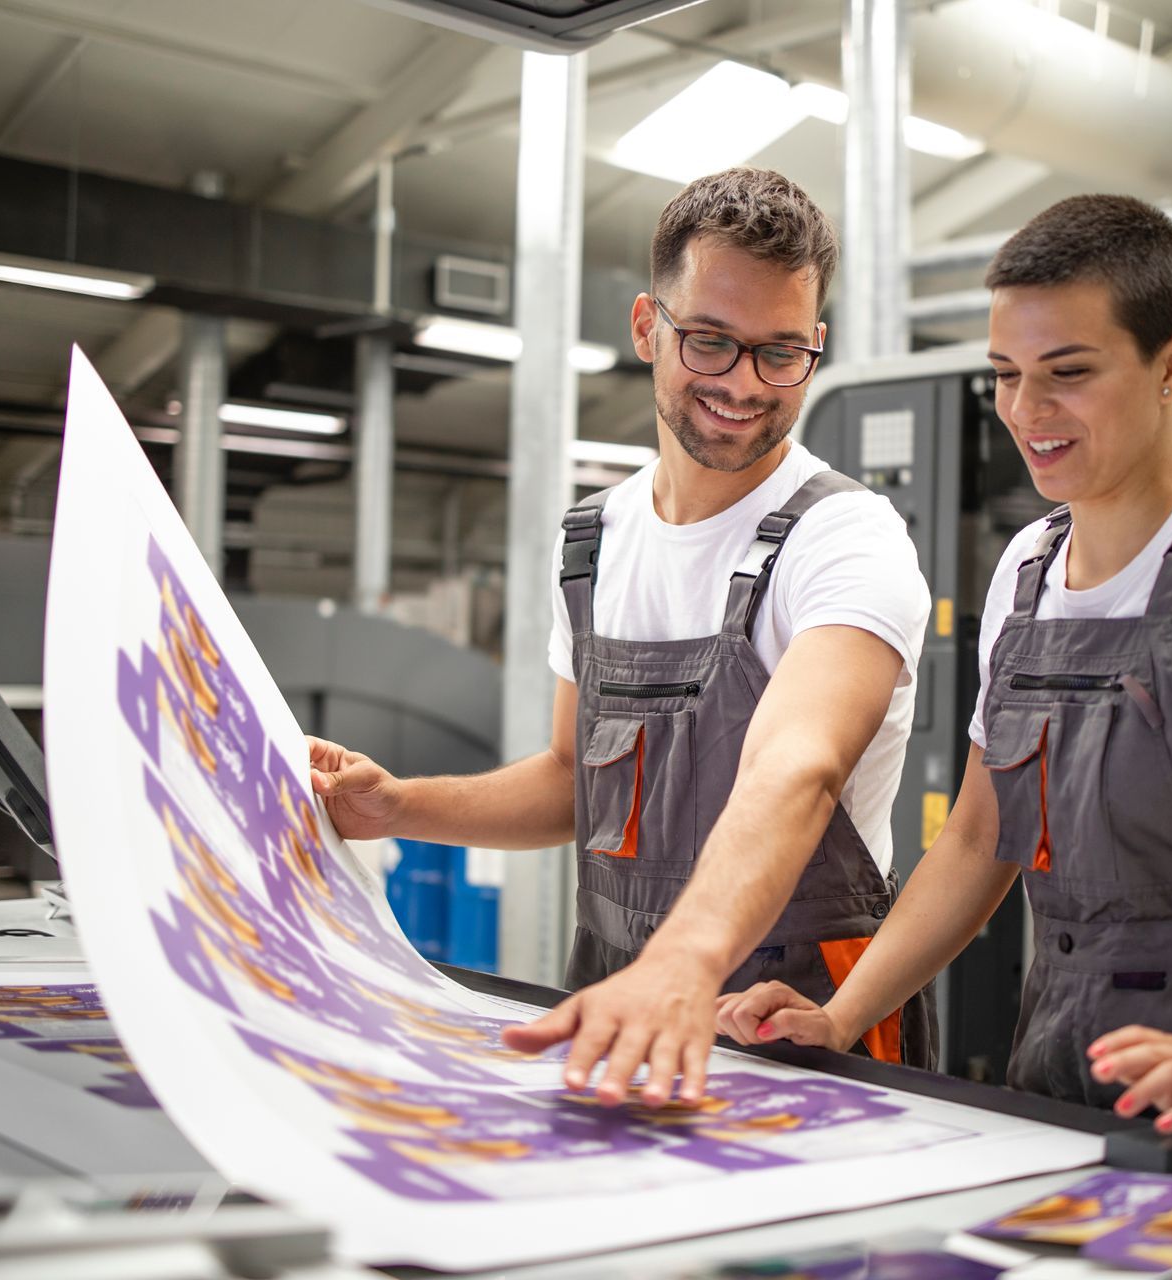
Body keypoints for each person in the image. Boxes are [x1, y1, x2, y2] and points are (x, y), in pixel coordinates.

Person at [714, 194, 1172, 1164]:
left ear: (1171, 366)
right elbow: (978, 841)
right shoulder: (1026, 570)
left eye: (1067, 374)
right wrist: (840, 1016)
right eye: (1007, 376)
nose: (1027, 411)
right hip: (1055, 1066)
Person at [308, 167, 936, 1108]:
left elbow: (797, 767)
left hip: (798, 1010)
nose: (741, 384)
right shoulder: (592, 545)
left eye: (780, 354)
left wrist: (684, 962)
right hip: (619, 990)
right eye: (710, 342)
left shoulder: (846, 538)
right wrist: (400, 806)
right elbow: (574, 778)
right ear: (648, 326)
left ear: (816, 347)